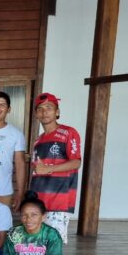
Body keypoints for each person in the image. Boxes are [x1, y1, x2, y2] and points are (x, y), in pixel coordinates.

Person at [29, 93, 81, 244]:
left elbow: (76, 162)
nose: (45, 112)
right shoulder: (37, 141)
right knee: (37, 245)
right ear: (36, 114)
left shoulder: (68, 133)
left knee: (55, 246)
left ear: (57, 112)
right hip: (38, 201)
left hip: (59, 200)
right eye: (40, 109)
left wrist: (49, 169)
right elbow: (36, 172)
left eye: (49, 108)